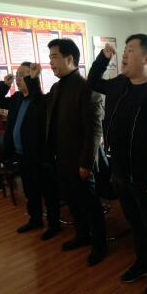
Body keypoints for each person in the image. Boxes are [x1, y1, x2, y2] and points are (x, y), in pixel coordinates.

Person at [87, 35, 147, 294]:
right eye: (124, 50)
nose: (124, 54)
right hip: (120, 170)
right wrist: (103, 59)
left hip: (146, 175)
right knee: (135, 223)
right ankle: (143, 262)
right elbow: (92, 81)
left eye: (131, 50)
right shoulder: (118, 84)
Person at [45, 39, 107, 266]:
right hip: (61, 158)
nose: (50, 62)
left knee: (90, 204)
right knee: (72, 201)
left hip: (81, 161)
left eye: (54, 57)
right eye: (50, 57)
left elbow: (95, 130)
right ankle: (82, 235)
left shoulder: (87, 87)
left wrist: (87, 163)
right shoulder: (56, 88)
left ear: (69, 58)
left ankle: (100, 245)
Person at [0, 62, 61, 240]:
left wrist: (33, 79)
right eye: (17, 75)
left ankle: (54, 224)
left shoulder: (41, 101)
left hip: (39, 156)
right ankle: (35, 219)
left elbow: (35, 94)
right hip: (21, 155)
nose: (18, 79)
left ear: (32, 77)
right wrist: (4, 85)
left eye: (23, 75)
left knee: (48, 192)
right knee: (30, 191)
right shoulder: (16, 99)